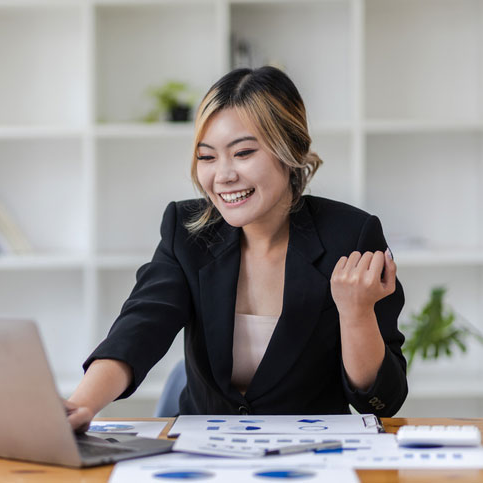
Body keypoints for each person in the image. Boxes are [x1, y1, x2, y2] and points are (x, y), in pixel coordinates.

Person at [66, 66, 407, 432]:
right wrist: (79, 407)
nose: (223, 175)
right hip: (202, 456)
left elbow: (383, 401)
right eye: (207, 157)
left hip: (312, 453)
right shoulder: (187, 232)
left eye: (242, 153)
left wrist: (355, 313)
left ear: (290, 150)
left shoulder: (351, 237)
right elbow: (139, 330)